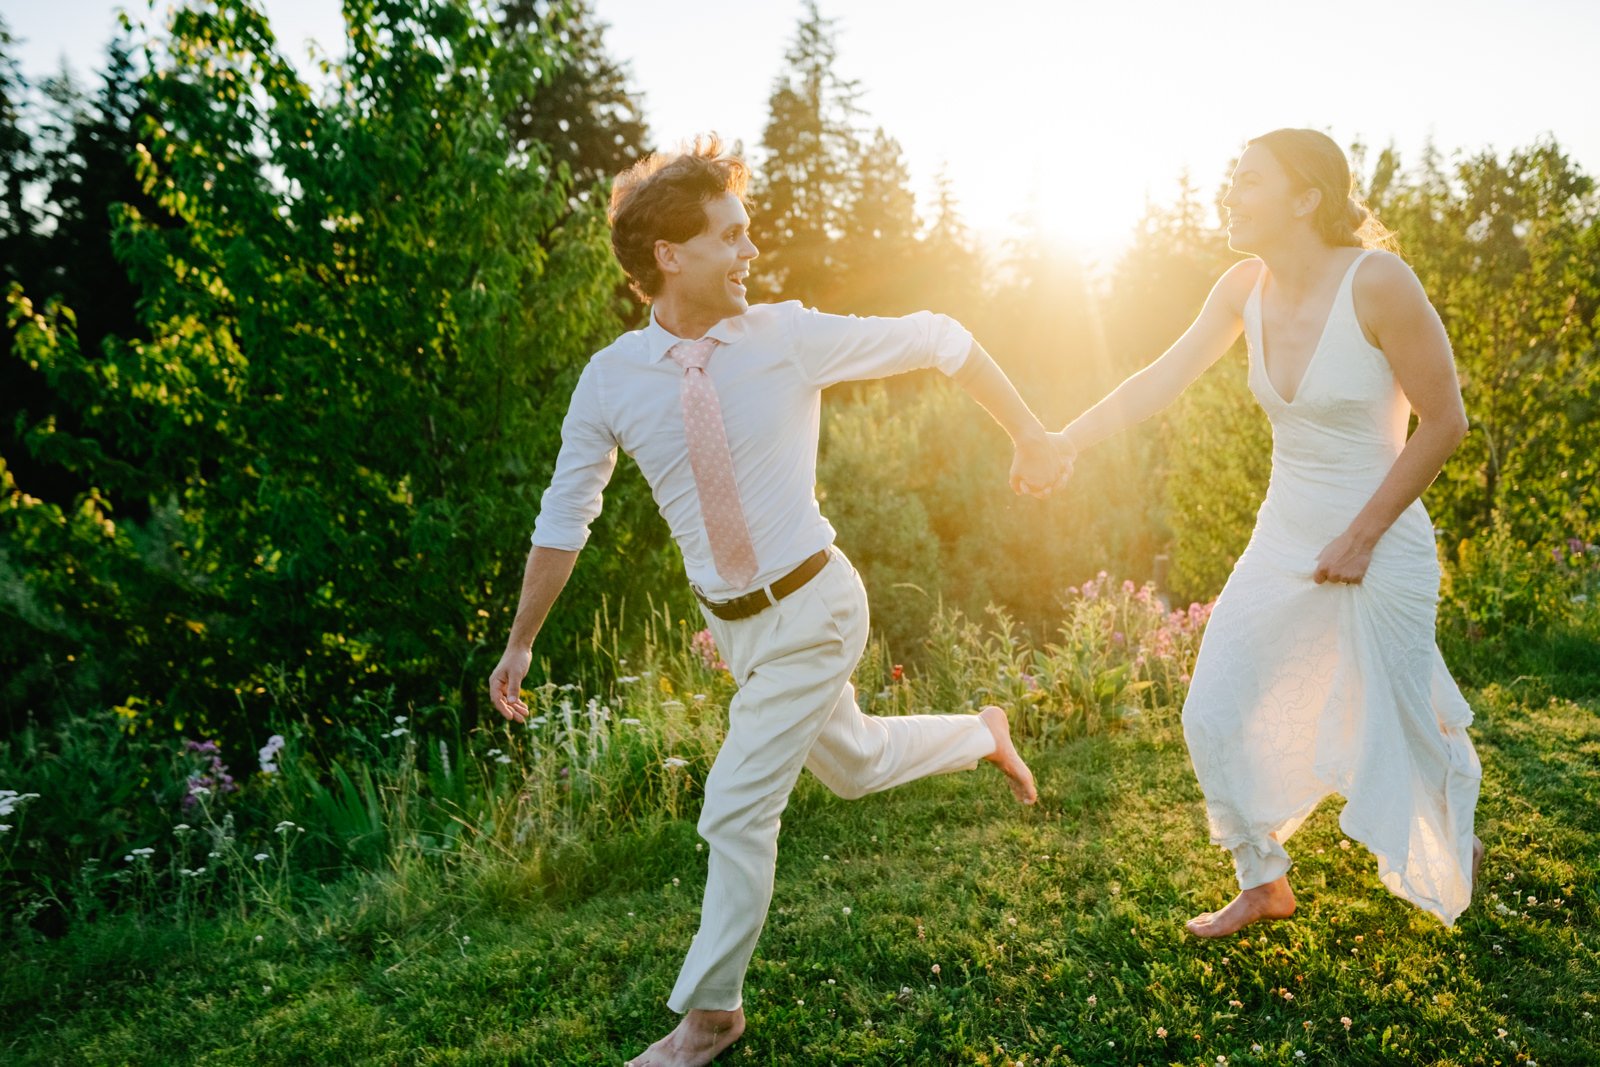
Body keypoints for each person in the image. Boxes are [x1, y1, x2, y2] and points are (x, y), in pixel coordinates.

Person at [486, 136, 1063, 1066]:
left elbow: (941, 336)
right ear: (670, 255)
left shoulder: (786, 337)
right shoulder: (611, 380)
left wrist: (1030, 433)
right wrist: (521, 642)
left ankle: (712, 1014)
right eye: (731, 236)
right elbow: (566, 514)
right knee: (855, 763)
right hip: (737, 627)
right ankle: (981, 732)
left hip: (817, 605)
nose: (750, 251)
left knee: (735, 805)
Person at [1052, 128, 1483, 938]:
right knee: (1211, 707)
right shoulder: (1240, 287)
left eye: (1250, 180)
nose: (1231, 193)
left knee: (1399, 721)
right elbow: (1158, 380)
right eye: (1233, 178)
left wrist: (1360, 537)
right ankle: (1262, 880)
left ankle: (1455, 836)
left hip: (1381, 541)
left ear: (1306, 198)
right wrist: (1064, 441)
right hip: (1283, 537)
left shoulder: (1379, 282)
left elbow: (1445, 422)